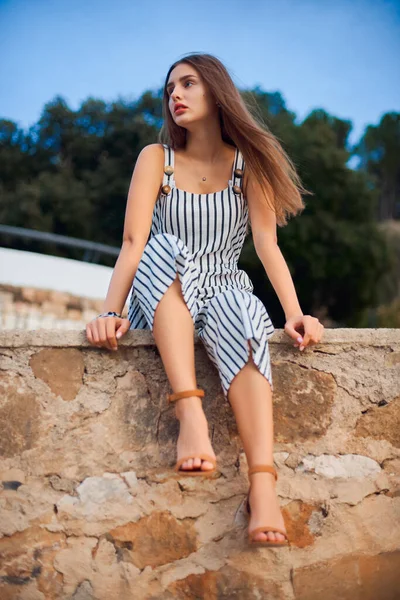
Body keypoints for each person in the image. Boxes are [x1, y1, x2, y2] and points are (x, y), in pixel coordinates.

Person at [86, 52, 324, 547]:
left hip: (221, 287)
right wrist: (110, 310)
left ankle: (263, 486)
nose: (175, 94)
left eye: (188, 84)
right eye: (170, 87)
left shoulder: (246, 166)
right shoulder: (158, 160)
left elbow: (266, 245)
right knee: (167, 246)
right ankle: (189, 415)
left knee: (244, 311)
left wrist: (296, 314)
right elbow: (134, 244)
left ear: (216, 92)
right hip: (165, 285)